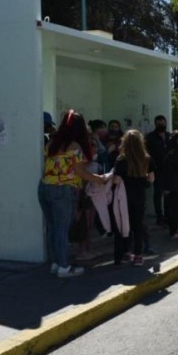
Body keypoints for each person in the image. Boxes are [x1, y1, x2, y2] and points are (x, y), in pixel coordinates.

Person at [38, 110, 110, 278]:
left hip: (44, 187)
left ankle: (56, 263)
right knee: (62, 229)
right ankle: (64, 267)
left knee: (53, 228)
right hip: (62, 190)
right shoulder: (74, 146)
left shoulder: (52, 143)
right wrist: (100, 179)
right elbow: (80, 172)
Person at [113, 130, 155, 266]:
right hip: (140, 195)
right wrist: (144, 182)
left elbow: (116, 180)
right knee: (138, 225)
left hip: (124, 196)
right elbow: (151, 178)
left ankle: (126, 252)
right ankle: (138, 255)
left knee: (124, 224)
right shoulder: (146, 158)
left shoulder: (121, 159)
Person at [145, 115, 171, 227]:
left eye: (163, 122)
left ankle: (167, 216)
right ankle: (159, 217)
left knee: (168, 194)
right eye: (159, 123)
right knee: (158, 193)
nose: (161, 125)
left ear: (166, 123)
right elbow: (146, 154)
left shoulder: (170, 136)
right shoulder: (150, 137)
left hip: (169, 170)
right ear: (155, 124)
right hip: (157, 170)